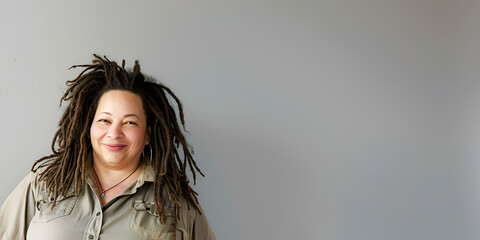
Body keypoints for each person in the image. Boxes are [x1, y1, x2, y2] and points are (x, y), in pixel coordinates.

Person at [0, 55, 215, 240]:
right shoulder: (43, 184)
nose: (114, 133)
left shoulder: (177, 203)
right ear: (88, 127)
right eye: (104, 120)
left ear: (148, 134)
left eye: (130, 122)